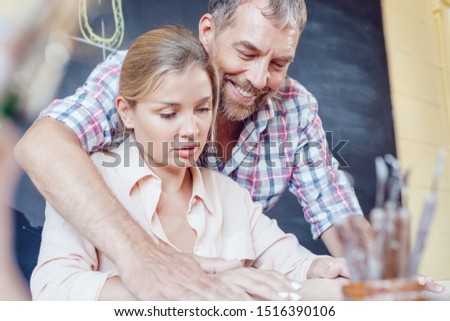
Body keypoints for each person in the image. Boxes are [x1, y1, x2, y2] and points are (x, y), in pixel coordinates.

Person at [15, 0, 370, 300]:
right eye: (246, 52)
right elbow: (43, 145)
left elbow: (329, 212)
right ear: (208, 31)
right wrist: (146, 260)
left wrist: (376, 280)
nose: (259, 78)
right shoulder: (144, 73)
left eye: (278, 64)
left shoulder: (243, 182)